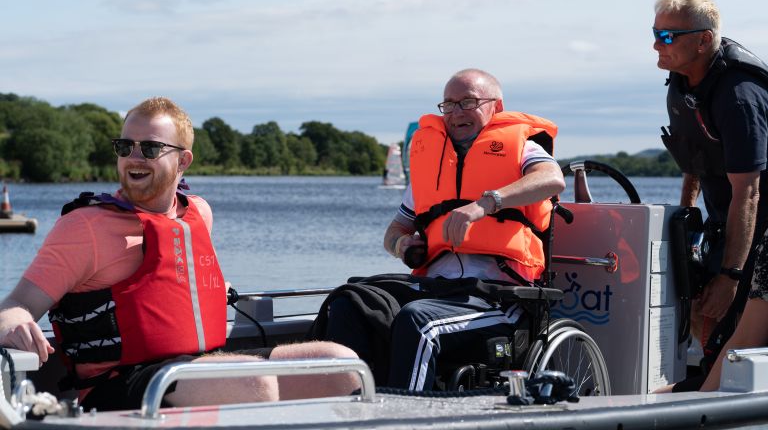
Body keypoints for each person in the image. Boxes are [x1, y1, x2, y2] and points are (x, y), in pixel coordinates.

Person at [0, 97, 359, 411]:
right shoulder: (85, 228)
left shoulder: (198, 213)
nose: (133, 157)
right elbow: (15, 306)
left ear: (183, 161)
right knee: (253, 382)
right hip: (118, 385)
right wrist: (15, 322)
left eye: (150, 148)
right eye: (125, 147)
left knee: (338, 365)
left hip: (198, 366)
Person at [318, 68, 565, 390]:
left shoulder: (523, 149)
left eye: (467, 102)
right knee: (349, 302)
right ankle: (346, 408)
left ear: (496, 107)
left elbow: (551, 180)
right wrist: (401, 246)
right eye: (448, 105)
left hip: (499, 297)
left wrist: (484, 204)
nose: (455, 113)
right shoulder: (430, 164)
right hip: (436, 288)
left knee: (419, 320)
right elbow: (395, 230)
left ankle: (404, 420)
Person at [654, 0, 768, 390]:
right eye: (655, 33)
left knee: (732, 343)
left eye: (668, 36)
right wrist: (685, 233)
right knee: (707, 328)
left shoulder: (740, 96)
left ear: (703, 40)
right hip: (727, 224)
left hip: (761, 233)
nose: (656, 44)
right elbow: (695, 163)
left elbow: (749, 194)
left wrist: (731, 276)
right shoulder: (684, 85)